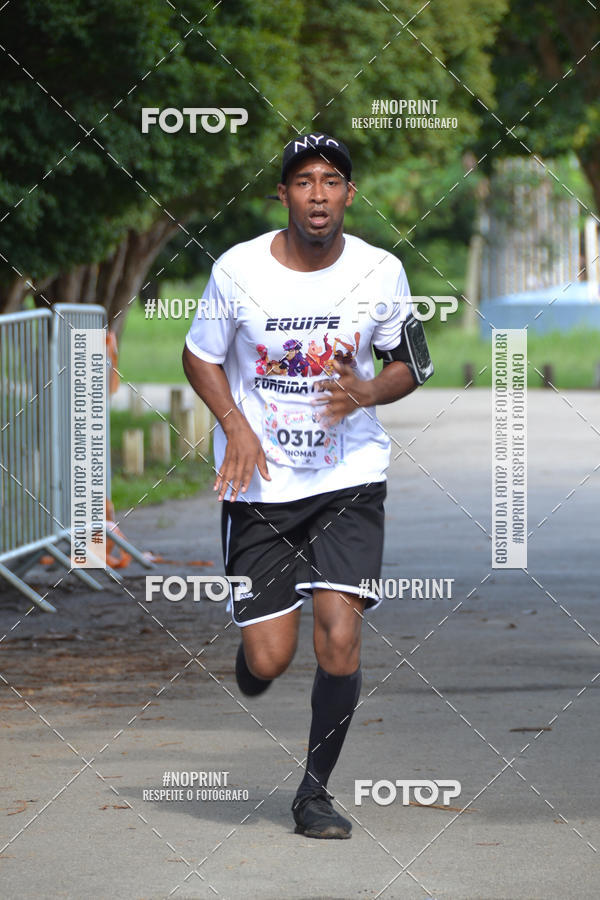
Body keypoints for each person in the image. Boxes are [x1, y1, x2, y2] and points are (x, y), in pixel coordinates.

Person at [182, 132, 433, 840]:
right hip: (261, 485)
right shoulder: (237, 271)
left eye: (330, 180)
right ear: (283, 195)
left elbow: (413, 363)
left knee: (340, 638)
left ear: (349, 195)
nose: (317, 193)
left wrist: (365, 392)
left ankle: (314, 794)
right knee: (271, 656)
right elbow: (198, 356)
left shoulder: (380, 270)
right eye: (302, 181)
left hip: (348, 479)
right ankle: (256, 650)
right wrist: (234, 424)